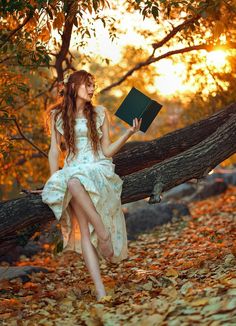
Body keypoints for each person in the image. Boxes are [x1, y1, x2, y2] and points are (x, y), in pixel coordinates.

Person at [41, 69, 142, 301]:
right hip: (73, 168)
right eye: (87, 84)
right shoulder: (57, 116)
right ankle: (100, 291)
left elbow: (106, 150)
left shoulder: (99, 113)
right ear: (74, 87)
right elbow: (54, 150)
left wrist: (128, 132)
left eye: (93, 85)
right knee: (83, 227)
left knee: (74, 181)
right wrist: (53, 177)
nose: (91, 88)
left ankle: (103, 232)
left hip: (97, 167)